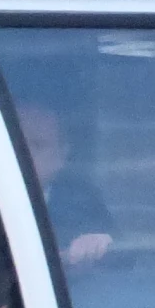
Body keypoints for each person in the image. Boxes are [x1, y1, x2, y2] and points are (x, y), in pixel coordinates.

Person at [16, 103, 116, 269]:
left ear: (61, 155)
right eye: (18, 143)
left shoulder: (83, 201)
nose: (25, 153)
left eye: (38, 145)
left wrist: (100, 243)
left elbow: (123, 260)